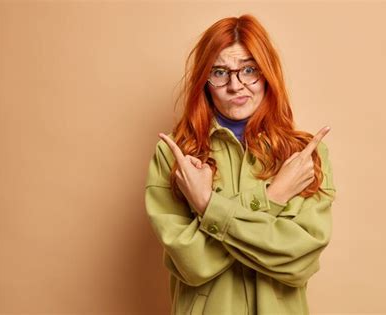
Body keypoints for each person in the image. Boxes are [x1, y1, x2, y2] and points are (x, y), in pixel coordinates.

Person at [144, 14, 337, 315]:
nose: (236, 85)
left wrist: (209, 205)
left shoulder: (302, 158)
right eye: (219, 72)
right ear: (204, 82)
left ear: (267, 74)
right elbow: (193, 263)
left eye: (249, 70)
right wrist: (272, 198)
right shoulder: (174, 156)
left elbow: (300, 261)